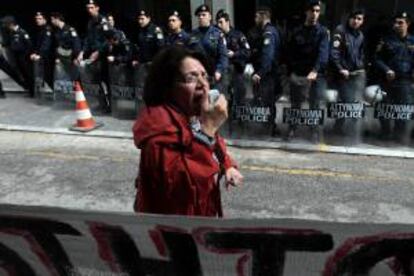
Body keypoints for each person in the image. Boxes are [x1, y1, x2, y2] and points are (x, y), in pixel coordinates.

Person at [132, 46, 243, 216]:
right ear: (168, 87)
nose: (203, 85)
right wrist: (208, 129)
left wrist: (227, 165)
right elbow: (181, 187)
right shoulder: (158, 130)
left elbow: (213, 143)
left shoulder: (193, 116)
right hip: (173, 231)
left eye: (204, 76)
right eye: (191, 78)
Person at [286, 0, 329, 142]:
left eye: (317, 11)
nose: (315, 14)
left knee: (314, 104)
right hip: (299, 73)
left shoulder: (322, 32)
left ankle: (314, 131)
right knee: (295, 103)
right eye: (312, 11)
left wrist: (315, 70)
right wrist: (291, 71)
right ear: (307, 12)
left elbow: (323, 54)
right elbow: (290, 52)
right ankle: (292, 128)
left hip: (316, 74)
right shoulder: (297, 31)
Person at [374, 11, 414, 145]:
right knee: (384, 109)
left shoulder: (413, 41)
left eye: (400, 23)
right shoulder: (386, 40)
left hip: (405, 81)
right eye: (395, 22)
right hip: (388, 81)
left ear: (407, 24)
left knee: (403, 111)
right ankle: (385, 133)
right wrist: (387, 69)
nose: (396, 25)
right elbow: (377, 59)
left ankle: (399, 136)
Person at [330, 9, 366, 143]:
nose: (356, 21)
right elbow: (334, 53)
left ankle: (342, 128)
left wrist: (361, 65)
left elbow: (361, 53)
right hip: (343, 74)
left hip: (356, 74)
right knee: (347, 102)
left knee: (354, 102)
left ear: (362, 21)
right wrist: (341, 69)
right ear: (349, 18)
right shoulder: (340, 31)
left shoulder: (360, 35)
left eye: (359, 19)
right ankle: (342, 129)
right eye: (354, 18)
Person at [249, 6, 281, 136]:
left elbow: (267, 56)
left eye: (257, 16)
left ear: (263, 16)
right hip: (269, 74)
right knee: (267, 101)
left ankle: (270, 129)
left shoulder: (268, 33)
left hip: (268, 75)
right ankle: (269, 127)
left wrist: (259, 73)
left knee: (267, 102)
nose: (255, 19)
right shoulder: (267, 31)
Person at [188, 4, 228, 91]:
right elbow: (189, 55)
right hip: (198, 76)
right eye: (199, 15)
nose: (201, 17)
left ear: (210, 17)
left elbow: (223, 55)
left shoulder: (218, 34)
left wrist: (219, 71)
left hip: (214, 75)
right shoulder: (192, 35)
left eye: (204, 15)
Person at [216, 10, 251, 105]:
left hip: (236, 70)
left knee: (239, 99)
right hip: (223, 72)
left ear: (228, 22)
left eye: (221, 22)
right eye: (218, 22)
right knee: (225, 100)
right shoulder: (217, 37)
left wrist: (235, 54)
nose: (219, 25)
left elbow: (247, 52)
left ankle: (240, 118)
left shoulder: (238, 34)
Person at [2, 16, 34, 97]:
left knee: (28, 74)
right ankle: (29, 90)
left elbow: (29, 45)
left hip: (24, 57)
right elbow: (8, 43)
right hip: (17, 57)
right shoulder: (12, 32)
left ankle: (32, 92)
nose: (6, 27)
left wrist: (26, 55)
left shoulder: (22, 32)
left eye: (7, 25)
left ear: (11, 24)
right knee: (23, 74)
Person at [30, 12, 54, 90]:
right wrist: (34, 53)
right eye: (36, 19)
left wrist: (39, 54)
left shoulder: (47, 29)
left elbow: (46, 45)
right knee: (42, 77)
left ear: (45, 20)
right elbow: (38, 44)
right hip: (41, 56)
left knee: (49, 76)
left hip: (48, 57)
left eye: (40, 19)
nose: (37, 20)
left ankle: (57, 94)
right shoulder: (40, 30)